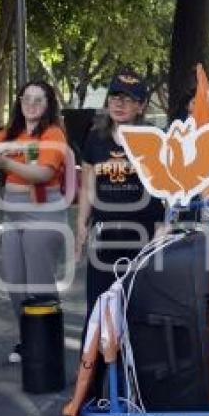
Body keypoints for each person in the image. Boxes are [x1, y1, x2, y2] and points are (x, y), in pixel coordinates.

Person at [0, 80, 68, 364]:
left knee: (39, 283)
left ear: (48, 104)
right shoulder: (12, 132)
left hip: (43, 209)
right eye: (26, 98)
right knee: (14, 282)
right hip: (12, 211)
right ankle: (29, 338)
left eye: (39, 100)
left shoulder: (53, 134)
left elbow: (41, 174)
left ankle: (47, 343)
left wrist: (4, 161)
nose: (31, 104)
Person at [75, 69, 165, 330]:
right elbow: (88, 188)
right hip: (105, 236)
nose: (119, 103)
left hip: (144, 236)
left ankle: (136, 369)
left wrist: (163, 224)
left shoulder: (154, 140)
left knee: (139, 308)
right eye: (114, 96)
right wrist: (81, 225)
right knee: (100, 308)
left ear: (141, 106)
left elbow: (166, 188)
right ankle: (97, 369)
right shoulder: (95, 139)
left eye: (128, 99)